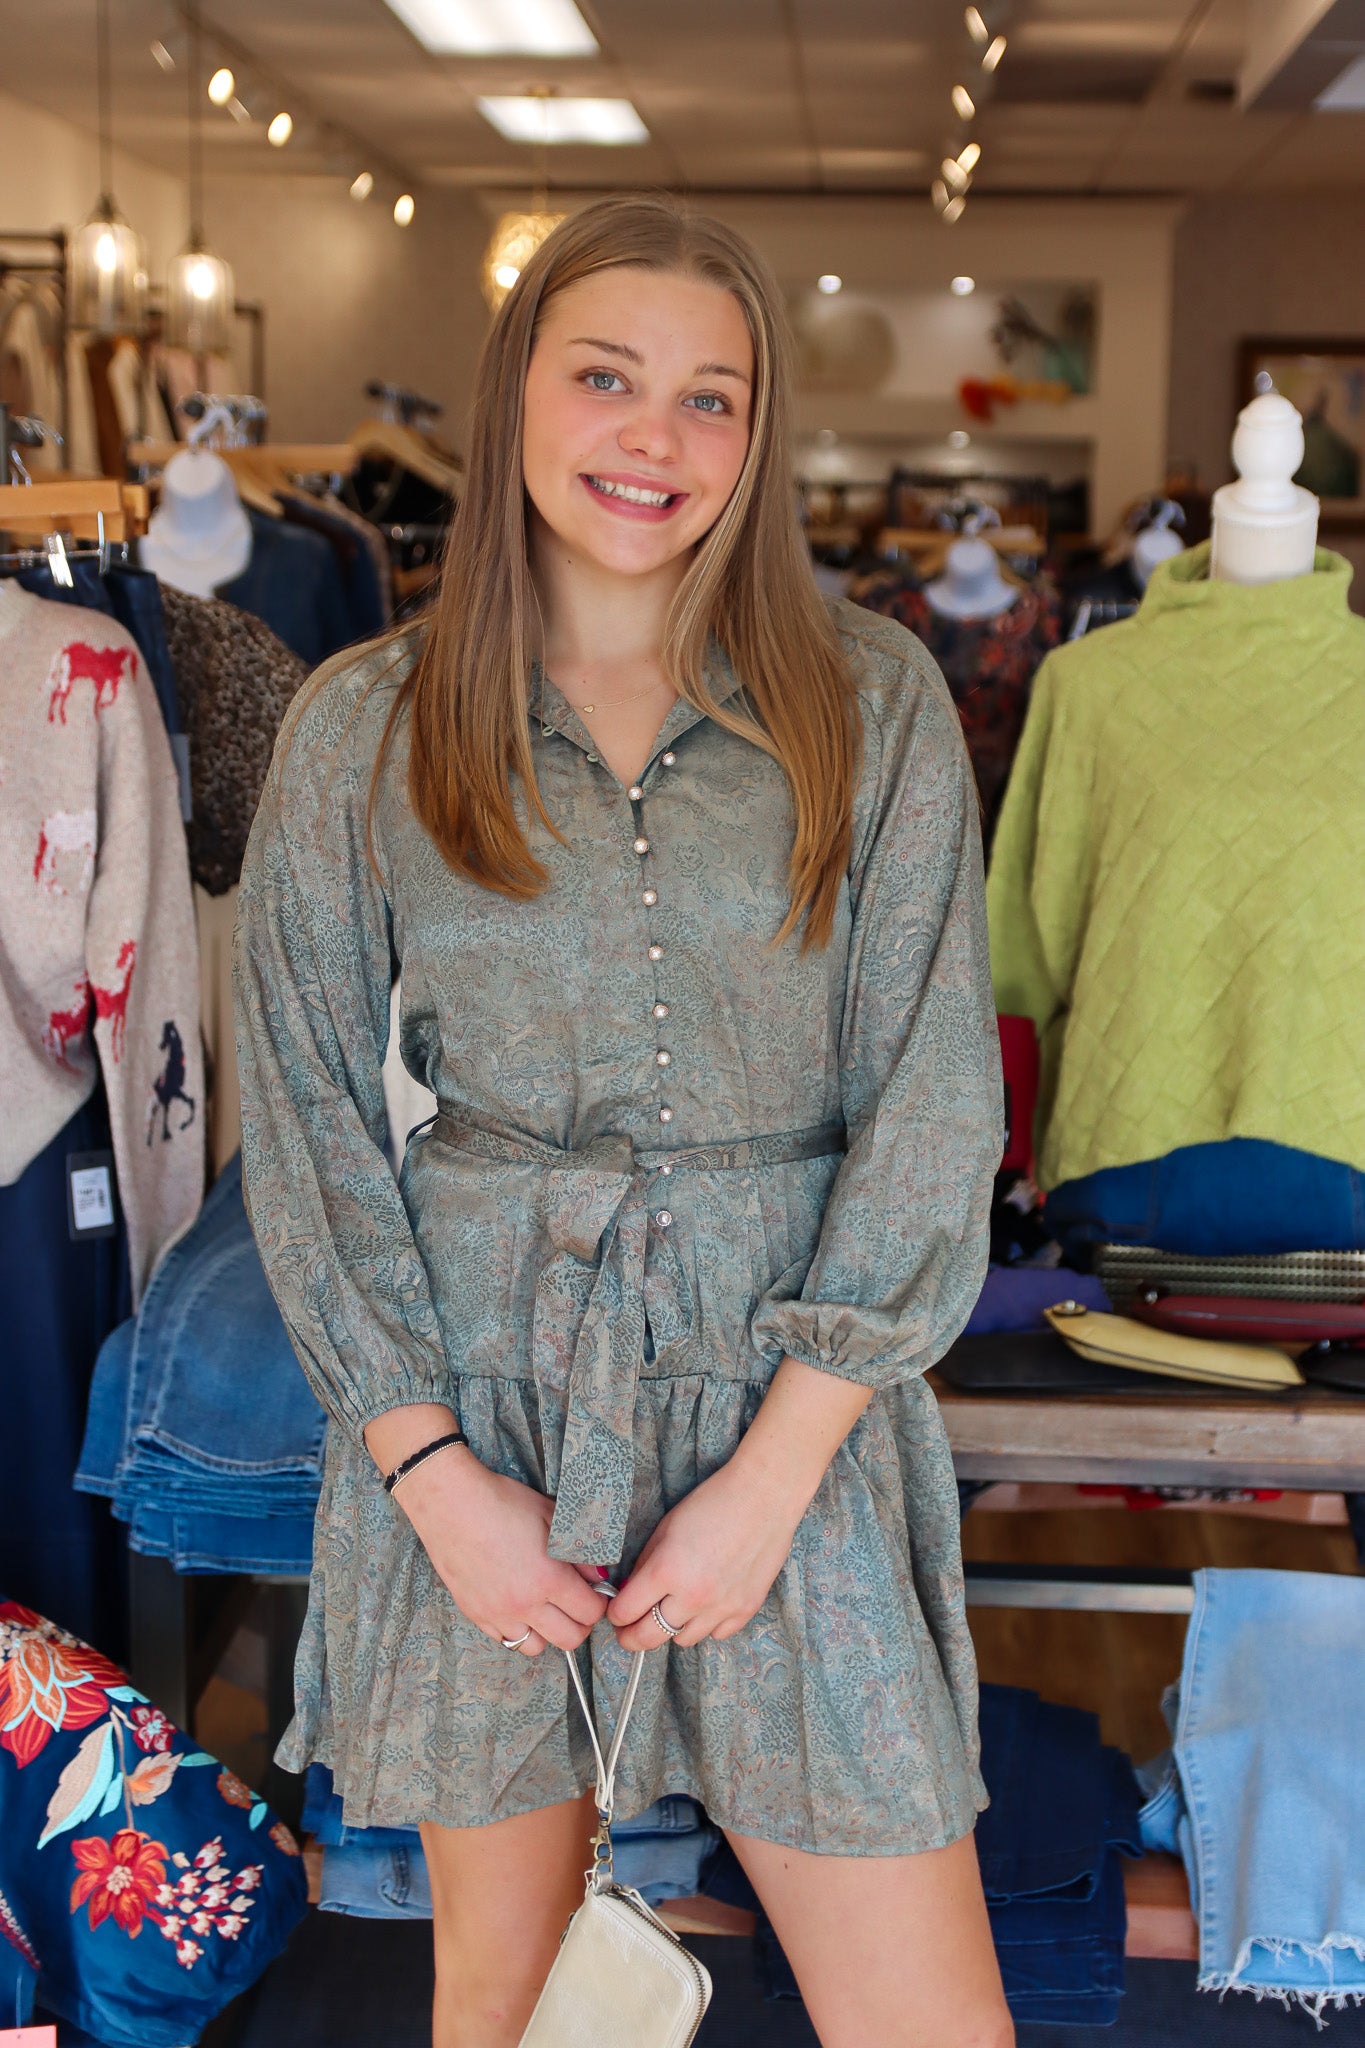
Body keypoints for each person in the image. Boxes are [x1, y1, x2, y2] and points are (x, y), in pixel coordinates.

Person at [234, 195, 1010, 2048]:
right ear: (517, 402)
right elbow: (310, 1107)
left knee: (926, 2019)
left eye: (709, 398)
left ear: (759, 440)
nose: (651, 439)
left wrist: (770, 1478)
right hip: (482, 1396)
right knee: (510, 2007)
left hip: (787, 1413)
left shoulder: (870, 699)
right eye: (606, 379)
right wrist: (436, 1485)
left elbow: (930, 1097)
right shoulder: (365, 722)